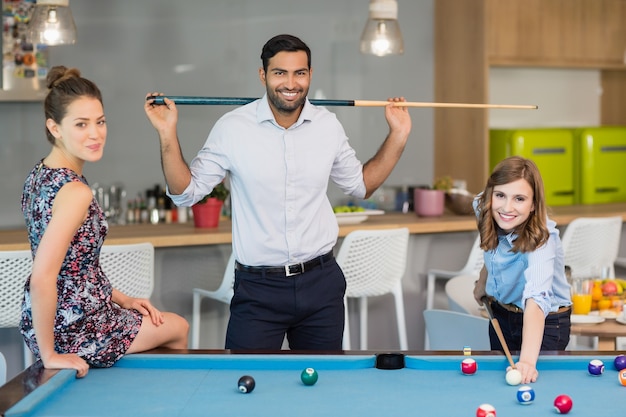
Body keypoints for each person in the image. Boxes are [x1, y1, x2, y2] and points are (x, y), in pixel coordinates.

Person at [144, 34, 411, 350]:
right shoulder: (232, 128)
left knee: (321, 387)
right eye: (279, 72)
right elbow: (185, 191)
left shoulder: (328, 126)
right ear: (263, 76)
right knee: (245, 386)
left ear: (310, 75)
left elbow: (361, 185)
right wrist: (166, 132)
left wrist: (398, 135)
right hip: (258, 290)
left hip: (321, 283)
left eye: (299, 72)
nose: (291, 82)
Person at [21, 66, 189, 378]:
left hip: (53, 320)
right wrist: (50, 354)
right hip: (74, 329)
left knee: (161, 324)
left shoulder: (39, 175)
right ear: (54, 127)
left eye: (100, 122)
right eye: (81, 124)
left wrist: (122, 299)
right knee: (178, 327)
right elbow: (43, 276)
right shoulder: (76, 192)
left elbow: (75, 268)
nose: (96, 134)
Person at [472, 156, 571, 384]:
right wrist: (482, 282)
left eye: (519, 198)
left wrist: (527, 361)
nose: (506, 208)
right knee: (501, 387)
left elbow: (536, 301)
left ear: (534, 204)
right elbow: (491, 243)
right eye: (500, 195)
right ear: (490, 195)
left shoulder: (542, 239)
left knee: (534, 389)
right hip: (501, 314)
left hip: (547, 324)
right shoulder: (483, 207)